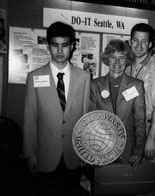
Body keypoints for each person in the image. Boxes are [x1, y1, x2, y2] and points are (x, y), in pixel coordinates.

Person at [22, 21, 90, 196]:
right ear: (48, 46)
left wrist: (85, 152)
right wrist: (30, 154)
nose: (60, 51)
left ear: (73, 46)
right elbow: (30, 118)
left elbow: (85, 116)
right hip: (44, 155)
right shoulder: (34, 77)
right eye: (55, 45)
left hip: (73, 155)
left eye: (65, 45)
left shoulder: (84, 77)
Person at [126, 23, 155, 196]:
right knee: (136, 180)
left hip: (154, 129)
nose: (138, 45)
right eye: (135, 40)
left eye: (143, 41)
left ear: (151, 44)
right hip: (134, 129)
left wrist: (150, 137)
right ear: (130, 41)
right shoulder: (127, 65)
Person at [89, 39, 146, 167]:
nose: (117, 62)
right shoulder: (94, 85)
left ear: (127, 60)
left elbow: (140, 121)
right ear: (107, 59)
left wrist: (138, 151)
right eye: (113, 57)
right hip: (100, 148)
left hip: (127, 150)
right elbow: (90, 121)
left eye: (121, 57)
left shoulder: (136, 86)